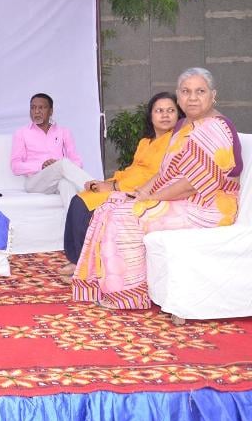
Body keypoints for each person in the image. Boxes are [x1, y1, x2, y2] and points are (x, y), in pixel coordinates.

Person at [72, 68, 243, 312]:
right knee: (110, 205)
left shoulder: (215, 128)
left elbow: (191, 185)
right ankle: (108, 285)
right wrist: (142, 193)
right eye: (186, 91)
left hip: (208, 207)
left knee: (125, 216)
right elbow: (164, 173)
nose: (192, 97)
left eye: (200, 91)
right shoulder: (185, 125)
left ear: (213, 95)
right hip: (179, 200)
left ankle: (128, 295)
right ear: (179, 96)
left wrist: (150, 199)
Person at [58, 92, 182, 280]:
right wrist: (106, 183)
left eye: (170, 111)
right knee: (80, 198)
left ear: (178, 115)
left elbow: (156, 175)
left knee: (86, 207)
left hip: (141, 192)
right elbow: (131, 169)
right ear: (151, 115)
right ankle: (77, 259)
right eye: (159, 111)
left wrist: (115, 187)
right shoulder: (145, 142)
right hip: (122, 186)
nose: (165, 115)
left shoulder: (176, 141)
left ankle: (88, 268)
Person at [10, 93, 92, 211]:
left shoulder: (64, 132)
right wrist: (42, 166)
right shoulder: (21, 133)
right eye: (33, 108)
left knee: (66, 185)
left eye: (41, 108)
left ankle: (74, 226)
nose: (36, 112)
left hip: (57, 180)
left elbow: (77, 161)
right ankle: (97, 190)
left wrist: (58, 167)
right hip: (35, 182)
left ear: (51, 111)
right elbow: (15, 166)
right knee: (62, 164)